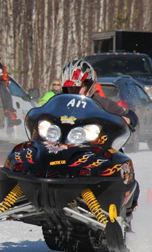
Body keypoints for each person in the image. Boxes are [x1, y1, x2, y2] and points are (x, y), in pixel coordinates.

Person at [61, 59, 139, 215]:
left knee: (120, 159)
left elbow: (128, 114)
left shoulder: (102, 103)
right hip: (65, 150)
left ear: (89, 85)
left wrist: (128, 119)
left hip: (97, 151)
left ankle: (123, 205)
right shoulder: (60, 102)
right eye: (69, 88)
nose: (73, 92)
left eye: (77, 88)